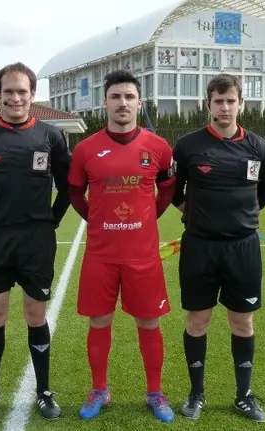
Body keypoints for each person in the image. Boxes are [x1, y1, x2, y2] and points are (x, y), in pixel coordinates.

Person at [67, 70, 177, 423]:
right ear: (105, 102)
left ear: (138, 102)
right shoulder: (85, 149)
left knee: (149, 321)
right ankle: (100, 389)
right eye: (116, 97)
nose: (123, 103)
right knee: (100, 320)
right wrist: (97, 220)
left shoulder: (158, 147)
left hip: (142, 255)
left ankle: (155, 392)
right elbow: (73, 193)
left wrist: (147, 221)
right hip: (101, 253)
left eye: (129, 97)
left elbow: (168, 191)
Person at [0, 62, 71, 420]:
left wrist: (49, 221)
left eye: (22, 91)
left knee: (34, 313)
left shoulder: (52, 136)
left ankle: (43, 391)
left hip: (37, 241)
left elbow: (68, 187)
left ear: (33, 95)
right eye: (8, 91)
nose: (15, 97)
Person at [171, 73, 265, 423]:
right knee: (197, 320)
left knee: (242, 322)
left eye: (230, 100)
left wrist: (242, 215)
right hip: (200, 247)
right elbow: (173, 190)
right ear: (208, 105)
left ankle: (243, 396)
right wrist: (192, 211)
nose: (224, 106)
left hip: (243, 248)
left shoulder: (259, 147)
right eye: (218, 101)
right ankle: (196, 393)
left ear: (241, 103)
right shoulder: (188, 145)